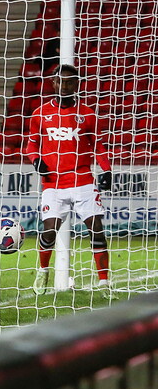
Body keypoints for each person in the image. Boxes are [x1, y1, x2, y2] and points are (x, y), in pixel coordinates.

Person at [26, 64, 114, 297]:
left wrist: (106, 169)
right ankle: (43, 271)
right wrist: (36, 161)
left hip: (83, 180)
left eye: (69, 82)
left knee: (96, 230)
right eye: (60, 81)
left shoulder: (87, 114)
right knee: (49, 231)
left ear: (77, 84)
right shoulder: (40, 114)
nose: (64, 86)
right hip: (53, 184)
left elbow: (97, 146)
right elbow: (31, 144)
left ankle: (104, 284)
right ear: (53, 83)